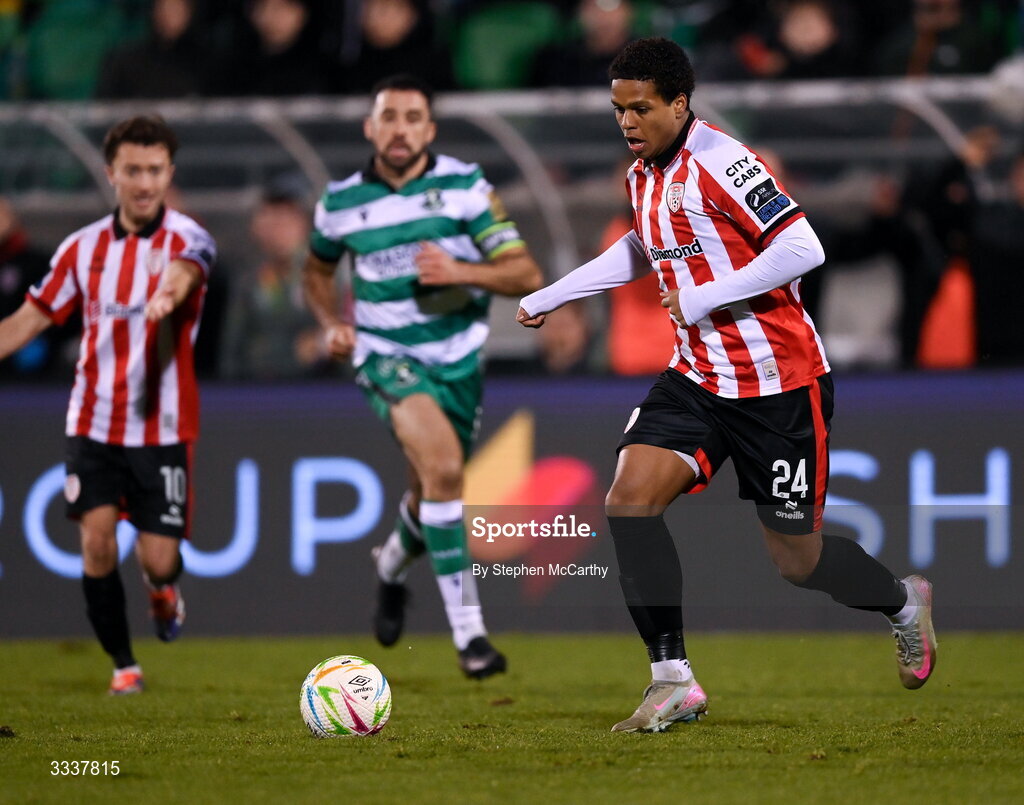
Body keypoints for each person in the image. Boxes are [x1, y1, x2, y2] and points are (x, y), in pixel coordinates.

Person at [517, 38, 936, 732]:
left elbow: (804, 246)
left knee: (797, 560)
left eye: (641, 107)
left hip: (779, 383)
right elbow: (640, 249)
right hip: (697, 376)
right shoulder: (642, 173)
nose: (626, 121)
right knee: (628, 499)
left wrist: (707, 295)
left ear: (680, 103)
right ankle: (672, 679)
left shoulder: (724, 161)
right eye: (618, 107)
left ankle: (901, 601)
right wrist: (557, 292)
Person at [303, 74, 542, 679]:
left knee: (428, 491)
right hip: (385, 357)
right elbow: (315, 272)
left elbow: (524, 275)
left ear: (429, 129)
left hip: (459, 361)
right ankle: (471, 635)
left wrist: (461, 269)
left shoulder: (465, 188)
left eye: (413, 117)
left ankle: (388, 567)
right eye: (389, 117)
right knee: (444, 471)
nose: (400, 128)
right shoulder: (339, 204)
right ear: (370, 127)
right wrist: (331, 321)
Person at [0, 116, 216, 694]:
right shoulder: (82, 249)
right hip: (93, 420)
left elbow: (189, 269)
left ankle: (163, 591)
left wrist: (170, 289)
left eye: (154, 170)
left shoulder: (189, 237)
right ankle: (124, 665)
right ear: (111, 174)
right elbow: (29, 319)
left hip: (162, 426)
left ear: (169, 173)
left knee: (160, 558)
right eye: (132, 171)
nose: (144, 183)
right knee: (96, 541)